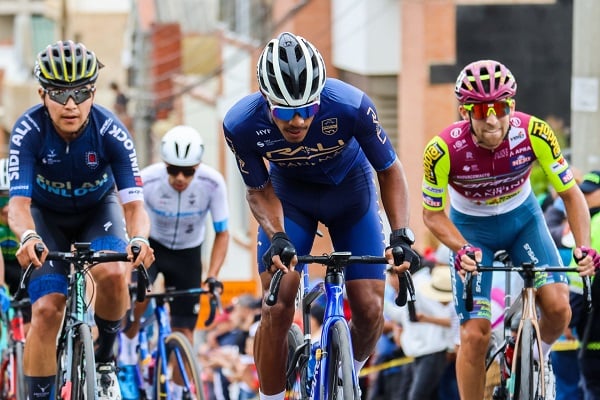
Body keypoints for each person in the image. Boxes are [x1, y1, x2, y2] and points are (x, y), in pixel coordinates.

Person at [223, 31, 418, 400]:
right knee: (278, 302)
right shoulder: (241, 124)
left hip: (352, 196)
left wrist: (401, 234)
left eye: (307, 110)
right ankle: (269, 396)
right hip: (290, 200)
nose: (297, 121)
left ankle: (349, 377)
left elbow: (390, 170)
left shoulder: (351, 105)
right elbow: (258, 189)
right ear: (266, 101)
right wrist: (276, 233)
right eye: (284, 111)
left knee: (370, 306)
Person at [421, 59, 600, 400]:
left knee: (560, 309)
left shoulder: (535, 132)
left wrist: (583, 246)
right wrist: (461, 249)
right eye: (480, 109)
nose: (492, 119)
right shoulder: (441, 150)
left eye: (501, 107)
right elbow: (432, 215)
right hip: (472, 232)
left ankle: (534, 358)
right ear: (464, 112)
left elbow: (571, 194)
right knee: (475, 334)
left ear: (512, 106)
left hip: (524, 222)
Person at [8, 40, 155, 400]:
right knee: (45, 310)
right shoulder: (28, 131)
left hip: (97, 212)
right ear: (43, 93)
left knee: (113, 273)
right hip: (46, 218)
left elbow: (134, 207)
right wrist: (27, 235)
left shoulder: (112, 132)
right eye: (59, 93)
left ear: (93, 92)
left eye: (80, 93)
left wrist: (140, 240)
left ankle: (105, 359)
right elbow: (18, 204)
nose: (70, 104)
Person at [570, 170, 600, 399]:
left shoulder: (590, 225)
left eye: (591, 192)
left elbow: (579, 284)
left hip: (594, 337)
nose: (585, 197)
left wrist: (569, 320)